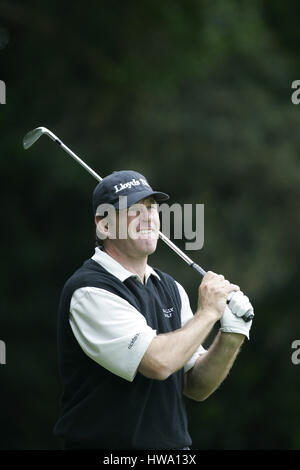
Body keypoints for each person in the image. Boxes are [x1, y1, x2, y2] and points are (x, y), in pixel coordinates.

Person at [53, 170, 253, 450]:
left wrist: (232, 335)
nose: (148, 218)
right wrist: (207, 314)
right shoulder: (89, 291)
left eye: (151, 208)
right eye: (133, 210)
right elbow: (159, 363)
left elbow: (195, 385)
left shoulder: (170, 288)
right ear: (104, 226)